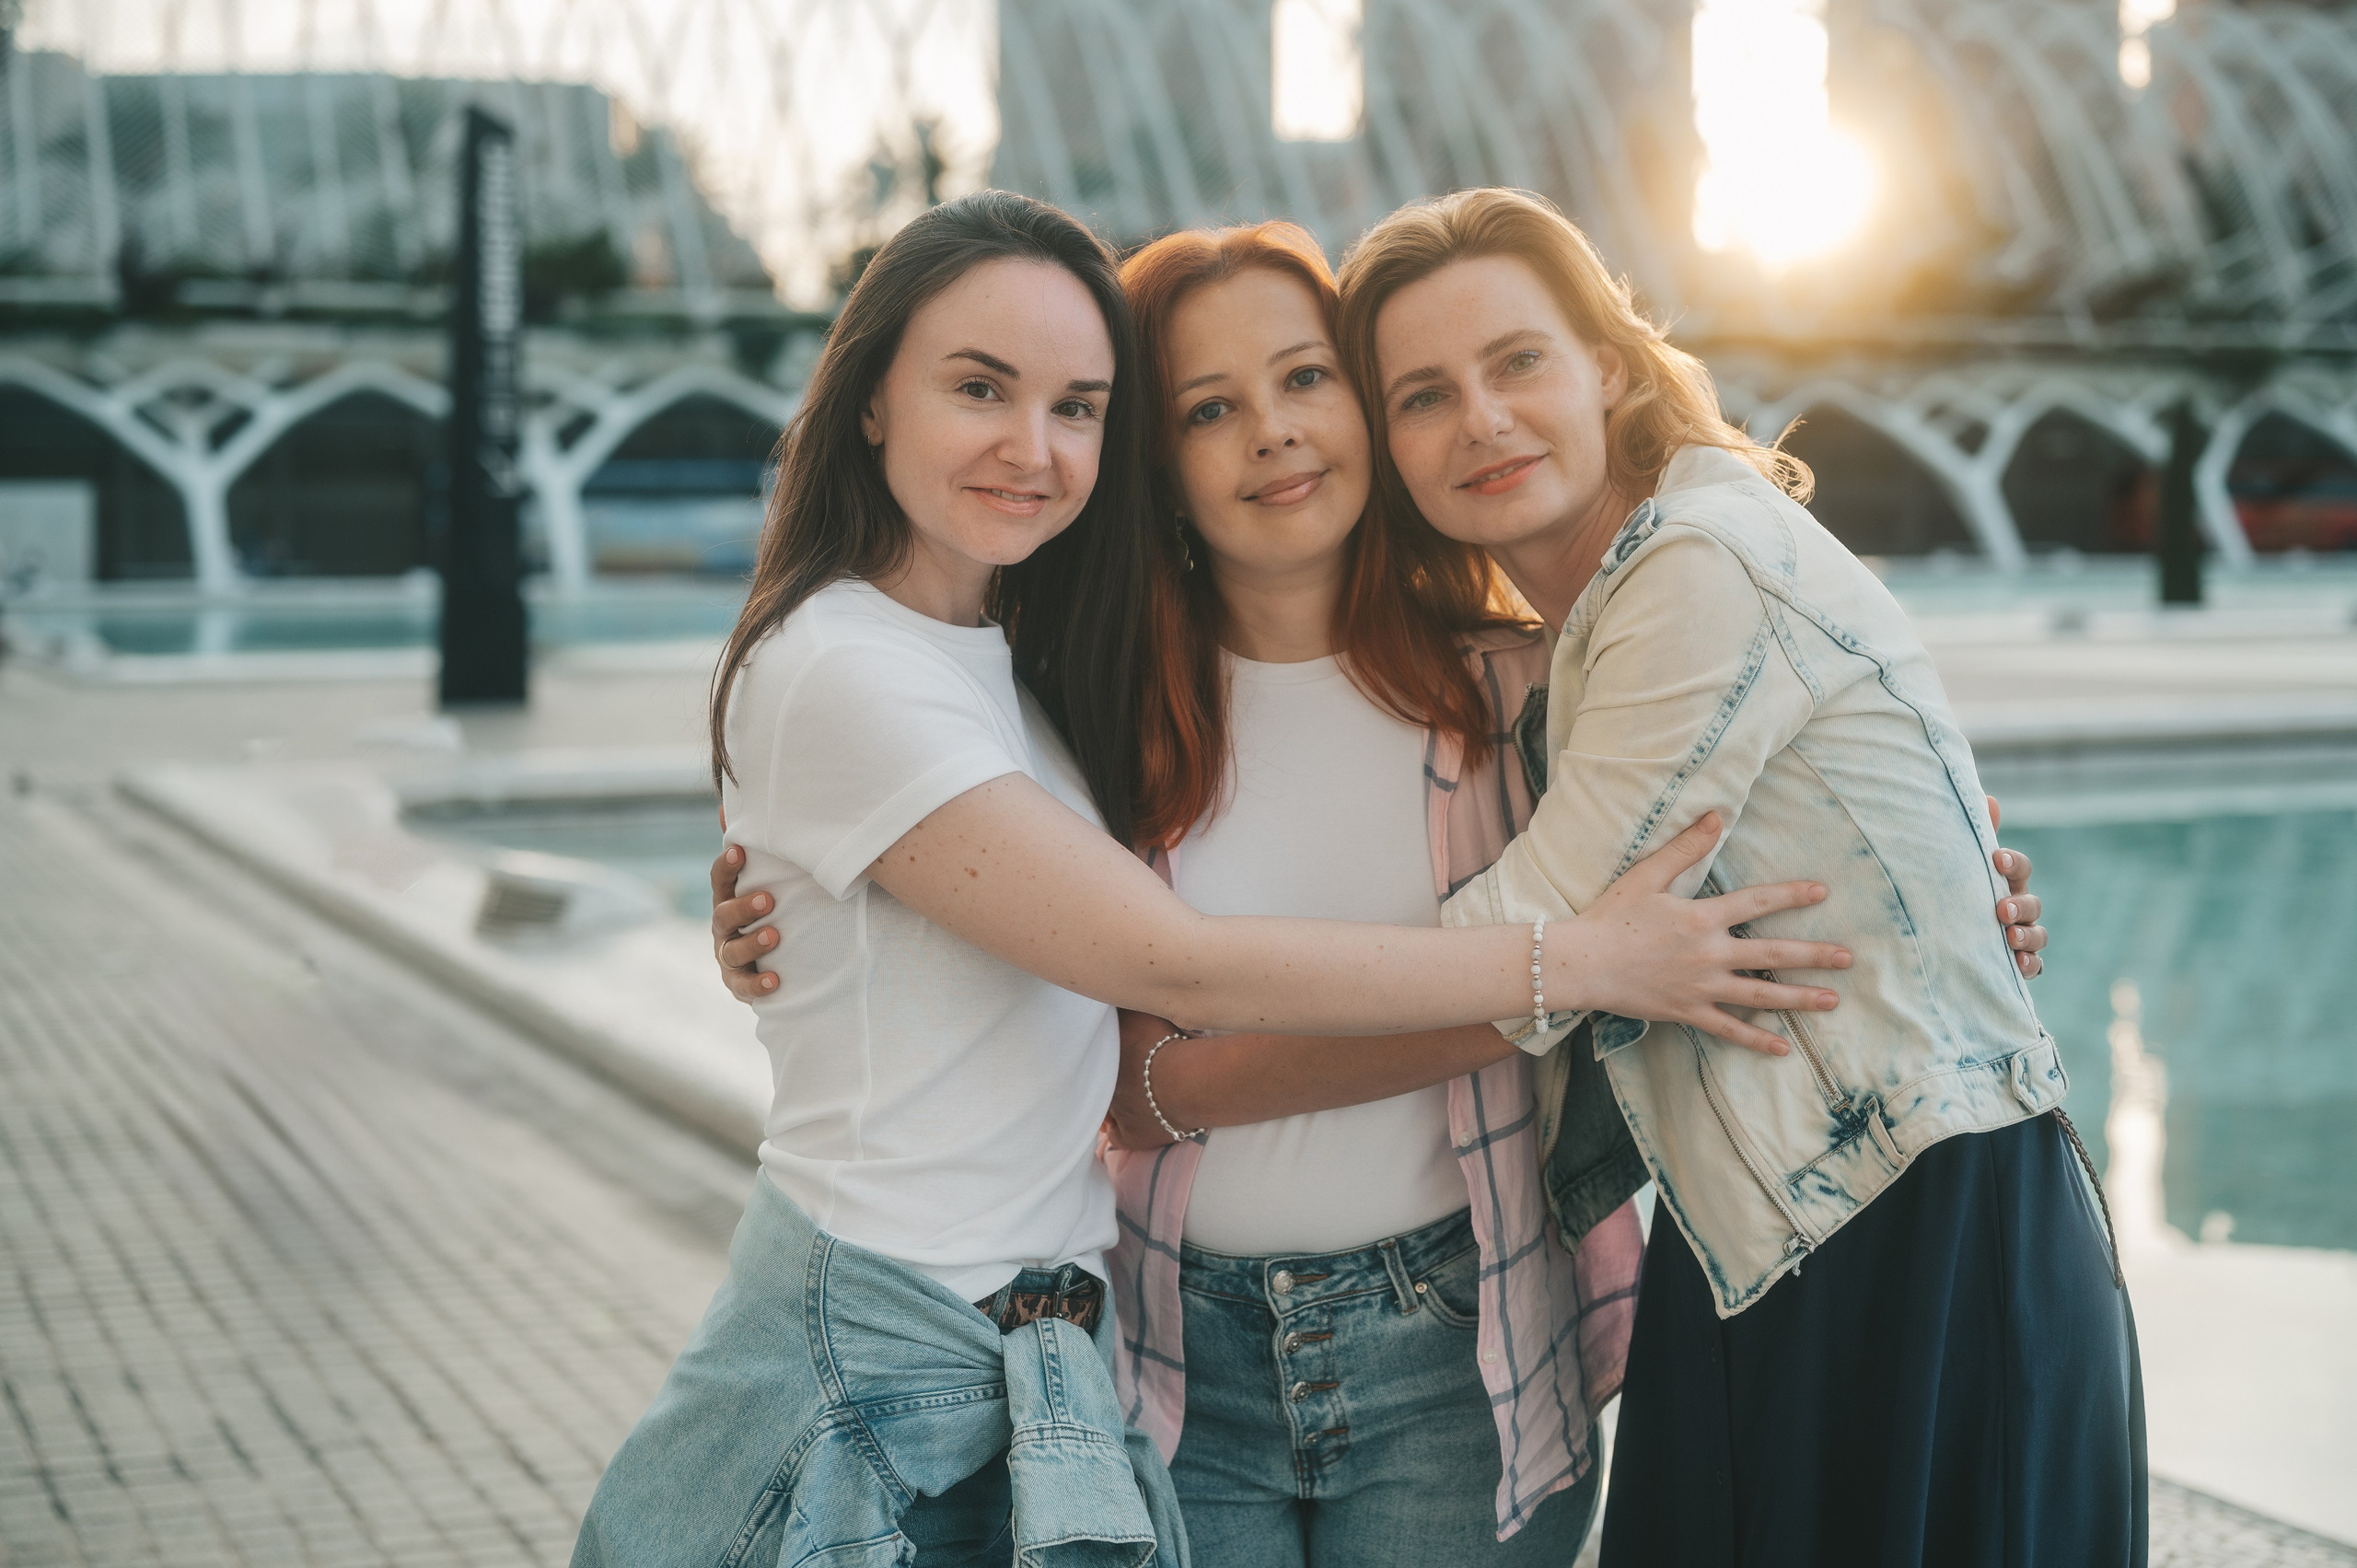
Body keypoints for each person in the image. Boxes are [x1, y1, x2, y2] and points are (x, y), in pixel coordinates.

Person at [704, 216, 2052, 1566]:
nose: (1273, 434)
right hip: (1173, 1353)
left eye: (1307, 382)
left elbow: (1802, 825)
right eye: (1208, 409)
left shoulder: (1528, 695)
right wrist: (783, 913)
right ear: (1155, 466)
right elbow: (1073, 1013)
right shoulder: (1086, 713)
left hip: (1464, 1351)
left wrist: (1951, 883)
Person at [1334, 187, 2142, 1566]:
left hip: (1903, 1234)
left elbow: (1535, 940)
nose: (1480, 420)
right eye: (1423, 394)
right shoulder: (1605, 603)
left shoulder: (1693, 566)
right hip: (1786, 1222)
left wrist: (1191, 1028)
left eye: (1517, 361)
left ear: (1608, 365)